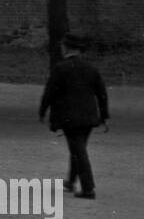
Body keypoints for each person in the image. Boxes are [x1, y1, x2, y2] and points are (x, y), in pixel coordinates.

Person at [39, 34, 108, 199]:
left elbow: (50, 92)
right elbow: (102, 94)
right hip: (89, 116)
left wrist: (43, 110)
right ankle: (71, 181)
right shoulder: (91, 68)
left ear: (67, 48)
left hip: (69, 117)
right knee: (78, 148)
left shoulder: (60, 68)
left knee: (78, 150)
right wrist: (103, 116)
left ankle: (88, 187)